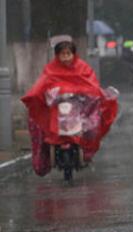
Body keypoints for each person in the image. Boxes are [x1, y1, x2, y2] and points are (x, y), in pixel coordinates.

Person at [21, 36, 118, 176]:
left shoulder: (83, 67)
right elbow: (41, 86)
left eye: (68, 54)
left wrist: (93, 95)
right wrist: (37, 96)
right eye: (62, 54)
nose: (66, 58)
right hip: (58, 107)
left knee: (92, 123)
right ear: (57, 55)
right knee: (38, 122)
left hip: (78, 106)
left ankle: (86, 151)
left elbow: (91, 85)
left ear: (74, 54)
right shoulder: (50, 69)